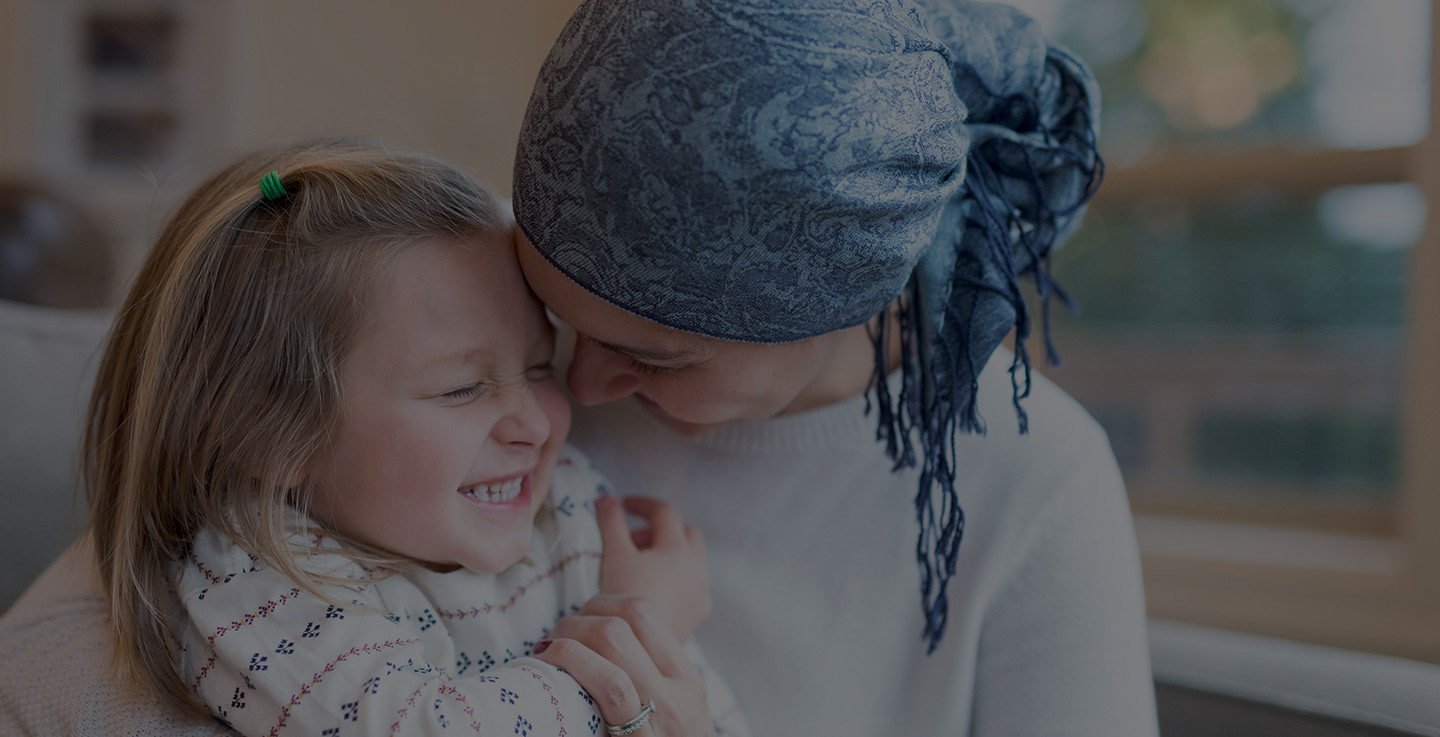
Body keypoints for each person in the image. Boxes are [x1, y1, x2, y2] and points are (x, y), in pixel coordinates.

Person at [512, 0, 1159, 734]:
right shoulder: (492, 392)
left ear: (845, 290)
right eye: (556, 319)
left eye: (649, 356)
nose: (578, 387)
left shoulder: (1035, 478)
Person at [82, 139, 749, 736]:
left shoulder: (569, 506)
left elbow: (707, 712)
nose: (537, 423)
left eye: (540, 366)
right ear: (273, 436)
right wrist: (640, 632)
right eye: (462, 387)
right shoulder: (256, 579)